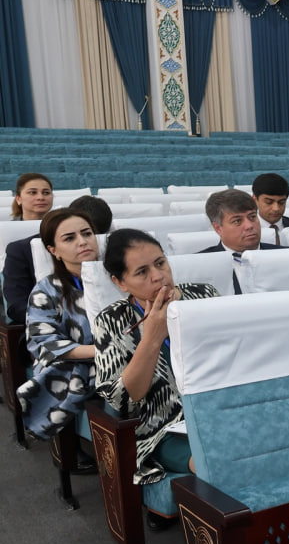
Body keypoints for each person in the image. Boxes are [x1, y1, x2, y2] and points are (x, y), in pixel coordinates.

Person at [94, 230, 220, 502]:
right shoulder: (111, 321)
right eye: (142, 272)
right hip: (163, 431)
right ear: (120, 282)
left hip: (218, 413)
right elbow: (122, 401)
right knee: (217, 460)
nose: (158, 276)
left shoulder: (204, 295)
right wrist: (152, 337)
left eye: (160, 263)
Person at [16, 211, 98, 462]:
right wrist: (102, 353)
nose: (82, 242)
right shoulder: (46, 290)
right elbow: (45, 342)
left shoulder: (120, 278)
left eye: (87, 233)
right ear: (53, 250)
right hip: (77, 363)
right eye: (69, 238)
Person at [199, 190, 289, 293]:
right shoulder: (200, 267)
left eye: (252, 217)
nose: (249, 226)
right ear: (218, 228)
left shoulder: (287, 257)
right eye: (237, 221)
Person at [4, 172, 56, 323]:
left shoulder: (62, 231)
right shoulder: (8, 233)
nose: (40, 197)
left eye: (46, 193)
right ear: (18, 199)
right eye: (33, 192)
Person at [252, 173, 289, 246]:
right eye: (269, 202)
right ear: (255, 200)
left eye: (281, 202)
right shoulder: (246, 230)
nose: (276, 208)